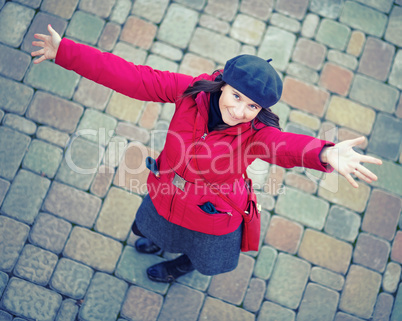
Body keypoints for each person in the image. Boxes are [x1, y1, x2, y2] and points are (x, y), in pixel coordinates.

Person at [32, 25, 382, 283]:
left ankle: (182, 265)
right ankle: (160, 244)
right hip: (167, 191)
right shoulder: (190, 92)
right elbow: (133, 78)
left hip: (211, 211)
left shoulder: (257, 134)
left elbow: (285, 146)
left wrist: (325, 154)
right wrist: (66, 52)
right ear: (222, 86)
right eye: (236, 97)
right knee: (156, 227)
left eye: (253, 105)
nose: (241, 110)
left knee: (201, 251)